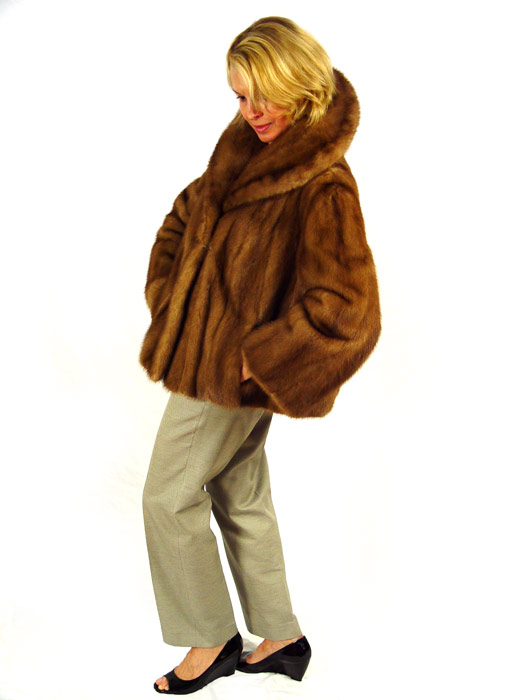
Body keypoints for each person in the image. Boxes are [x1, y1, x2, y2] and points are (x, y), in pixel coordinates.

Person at [140, 16, 381, 695]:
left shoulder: (322, 182)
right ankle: (280, 637)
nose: (251, 111)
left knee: (166, 496)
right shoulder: (243, 151)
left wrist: (259, 358)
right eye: (240, 96)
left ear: (298, 84)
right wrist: (171, 299)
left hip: (226, 373)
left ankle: (211, 640)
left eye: (263, 94)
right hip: (212, 359)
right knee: (238, 489)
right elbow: (182, 220)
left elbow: (347, 308)